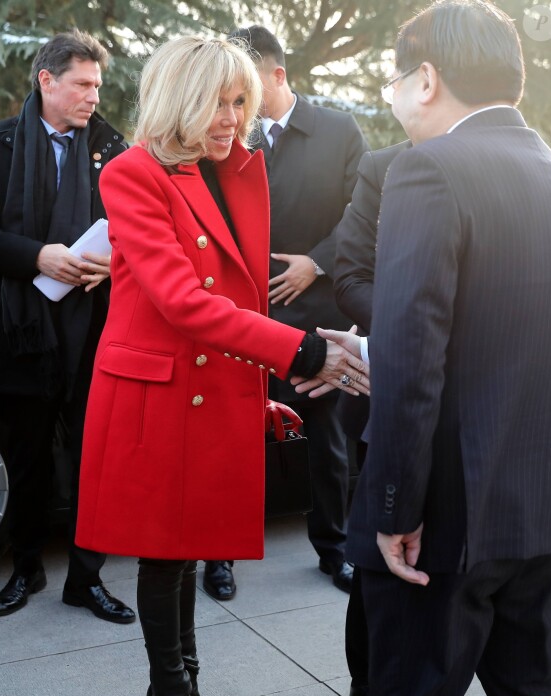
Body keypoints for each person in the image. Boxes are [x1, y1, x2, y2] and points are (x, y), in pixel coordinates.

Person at [74, 36, 368, 696]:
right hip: (154, 392)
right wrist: (300, 353)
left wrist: (256, 389)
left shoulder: (228, 170)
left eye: (241, 101)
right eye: (218, 102)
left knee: (191, 545)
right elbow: (182, 300)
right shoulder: (134, 172)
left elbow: (229, 298)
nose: (233, 117)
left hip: (203, 386)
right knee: (164, 553)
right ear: (180, 97)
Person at [296, 0, 551, 696]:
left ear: (426, 78)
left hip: (445, 518)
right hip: (539, 506)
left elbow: (412, 360)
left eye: (393, 78)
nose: (389, 95)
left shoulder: (428, 167)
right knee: (537, 695)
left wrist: (393, 510)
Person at [202, 25, 369, 602]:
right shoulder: (223, 136)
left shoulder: (338, 130)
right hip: (238, 315)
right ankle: (219, 556)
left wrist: (316, 263)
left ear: (275, 75)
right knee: (233, 434)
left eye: (245, 88)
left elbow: (365, 211)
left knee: (328, 439)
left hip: (315, 312)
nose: (234, 104)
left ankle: (336, 548)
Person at [334, 142, 481, 696]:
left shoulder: (498, 162)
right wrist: (405, 323)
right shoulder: (386, 166)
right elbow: (348, 275)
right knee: (383, 564)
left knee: (453, 584)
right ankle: (369, 693)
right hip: (401, 382)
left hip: (481, 407)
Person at [0, 30, 135, 624]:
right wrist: (37, 257)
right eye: (82, 84)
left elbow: (136, 231)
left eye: (97, 86)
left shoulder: (114, 149)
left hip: (92, 331)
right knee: (26, 459)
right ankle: (26, 569)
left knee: (93, 459)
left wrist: (110, 265)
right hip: (15, 331)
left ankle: (86, 579)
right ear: (46, 81)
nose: (93, 97)